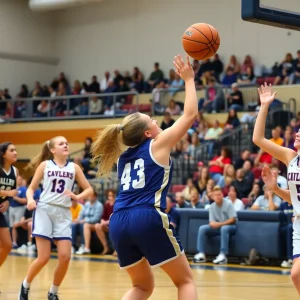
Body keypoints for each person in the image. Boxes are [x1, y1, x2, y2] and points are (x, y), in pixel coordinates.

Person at [91, 54, 198, 300]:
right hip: (145, 215)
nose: (157, 120)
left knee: (141, 287)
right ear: (148, 133)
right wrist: (189, 79)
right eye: (152, 120)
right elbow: (190, 115)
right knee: (184, 281)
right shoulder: (157, 144)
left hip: (118, 220)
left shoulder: (122, 157)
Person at [18, 136, 93, 300]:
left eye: (66, 143)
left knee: (65, 257)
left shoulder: (75, 167)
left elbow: (89, 190)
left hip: (63, 213)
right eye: (61, 143)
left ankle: (53, 291)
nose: (65, 145)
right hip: (45, 209)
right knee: (43, 258)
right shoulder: (45, 165)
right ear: (52, 150)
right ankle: (25, 285)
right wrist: (30, 200)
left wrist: (77, 195)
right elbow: (31, 189)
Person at [252, 82, 300, 296]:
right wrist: (264, 106)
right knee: (296, 275)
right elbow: (258, 139)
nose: (297, 134)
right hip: (299, 222)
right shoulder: (291, 157)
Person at [194, 186, 237, 264]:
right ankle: (201, 254)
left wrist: (220, 224)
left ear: (222, 195)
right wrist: (214, 224)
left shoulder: (228, 204)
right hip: (219, 227)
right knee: (202, 228)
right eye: (216, 195)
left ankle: (223, 255)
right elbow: (211, 222)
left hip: (231, 227)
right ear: (213, 197)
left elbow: (233, 219)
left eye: (219, 194)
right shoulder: (212, 206)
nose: (218, 196)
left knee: (224, 228)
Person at [0, 142, 18, 293]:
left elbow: (12, 192)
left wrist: (7, 202)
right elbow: (10, 192)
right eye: (12, 150)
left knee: (7, 245)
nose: (15, 152)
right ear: (3, 154)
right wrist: (8, 195)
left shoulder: (15, 171)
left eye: (16, 150)